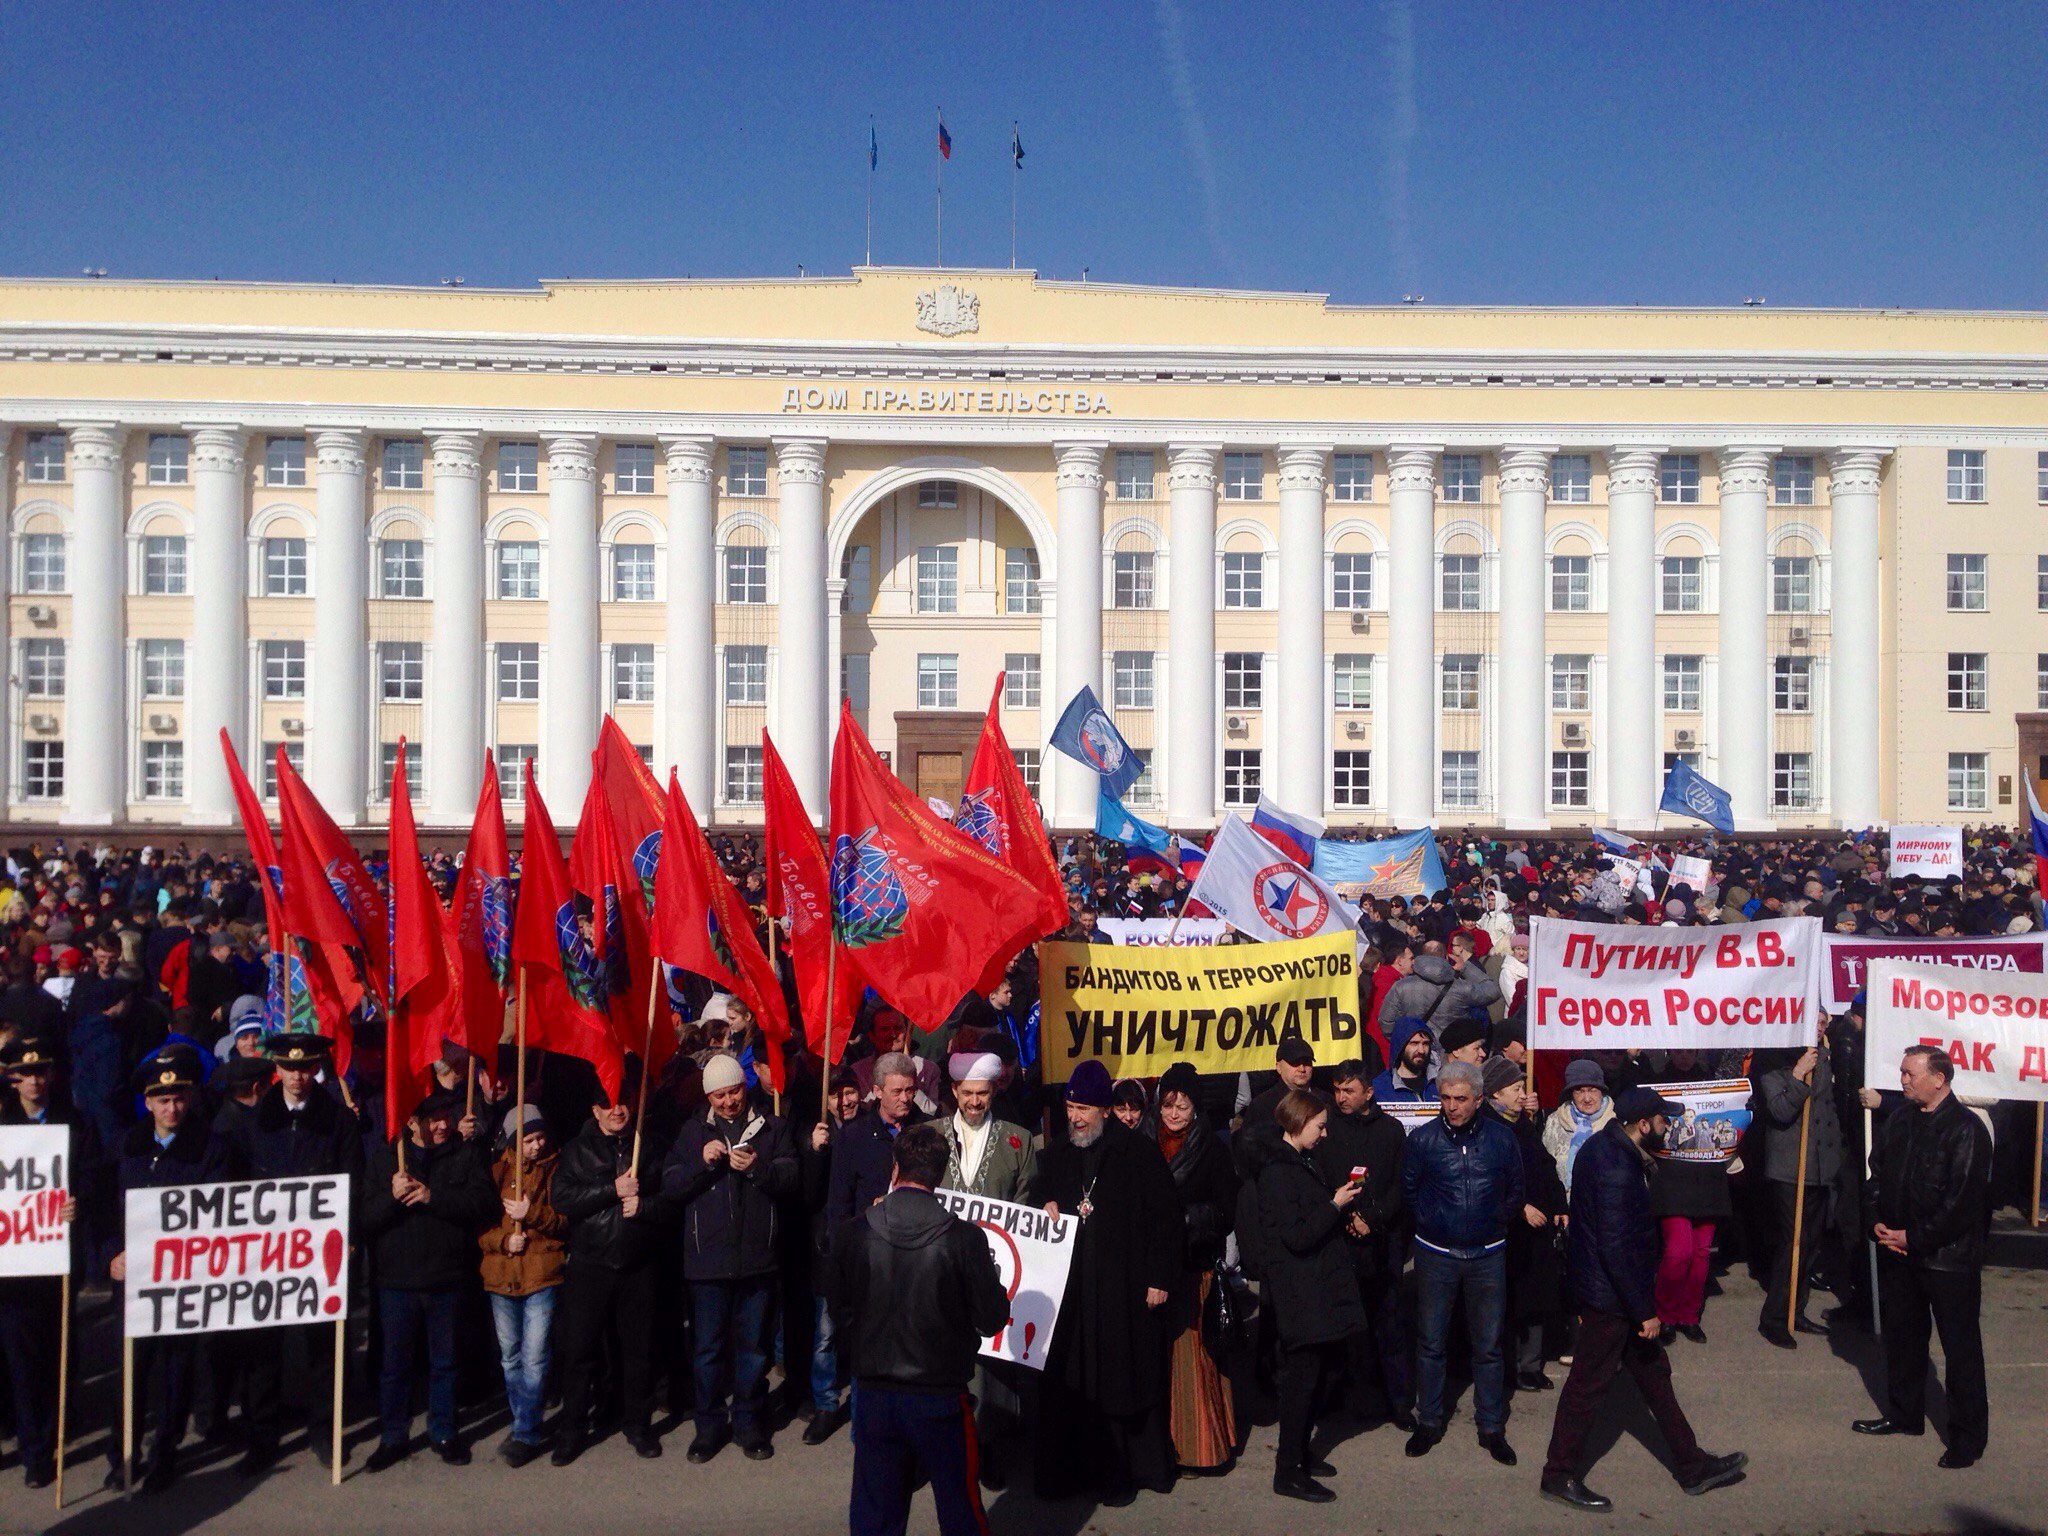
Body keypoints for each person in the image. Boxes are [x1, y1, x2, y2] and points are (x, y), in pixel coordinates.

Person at [1540, 1087, 1748, 1510]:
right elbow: (1617, 1248)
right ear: (1642, 1124)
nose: (1669, 1126)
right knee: (1586, 1388)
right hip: (1612, 1301)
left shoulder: (1609, 1150)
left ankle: (1691, 1466)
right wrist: (1645, 1312)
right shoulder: (1617, 1167)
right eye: (1663, 1120)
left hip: (1613, 1294)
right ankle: (1557, 1475)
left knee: (1655, 1377)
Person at [830, 1122, 1009, 1536]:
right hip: (940, 1398)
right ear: (942, 1174)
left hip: (874, 1394)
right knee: (961, 1510)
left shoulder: (855, 1231)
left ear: (894, 1168)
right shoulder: (964, 1239)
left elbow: (836, 1306)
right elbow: (993, 1317)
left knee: (876, 1515)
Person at [1034, 1059, 1185, 1506]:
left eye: (1085, 1108)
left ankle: (1124, 1474)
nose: (1076, 1117)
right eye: (1070, 1106)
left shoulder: (1137, 1152)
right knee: (1074, 1385)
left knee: (1123, 1380)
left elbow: (1167, 1220)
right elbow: (1039, 1197)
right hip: (1075, 1295)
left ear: (1105, 1110)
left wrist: (1160, 1277)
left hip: (1124, 1289)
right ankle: (1073, 1474)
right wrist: (1045, 1203)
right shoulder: (1058, 1153)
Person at [224, 1029, 363, 1475]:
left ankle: (324, 1430)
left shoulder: (338, 1119)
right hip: (268, 1256)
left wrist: (350, 1236)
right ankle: (263, 1436)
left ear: (316, 1068)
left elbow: (353, 1180)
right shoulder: (255, 1120)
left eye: (305, 1068)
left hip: (319, 1254)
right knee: (263, 1350)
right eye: (289, 1067)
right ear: (276, 1070)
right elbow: (237, 1185)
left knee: (323, 1349)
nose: (298, 1077)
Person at [1853, 1044, 1992, 1469]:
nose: (1903, 1080)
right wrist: (1876, 1218)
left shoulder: (1967, 1130)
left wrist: (1914, 1237)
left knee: (1960, 1350)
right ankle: (1904, 1415)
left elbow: (1961, 1203)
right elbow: (1877, 1174)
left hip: (1947, 1260)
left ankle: (1967, 1439)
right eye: (1902, 1072)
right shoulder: (1900, 1119)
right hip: (1899, 1253)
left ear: (1939, 1078)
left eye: (1911, 1074)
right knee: (1903, 1341)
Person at [107, 1045, 235, 1493]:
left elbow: (217, 1215)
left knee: (176, 1372)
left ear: (191, 1098)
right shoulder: (129, 1145)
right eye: (162, 1100)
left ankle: (165, 1452)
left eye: (179, 1097)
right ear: (148, 1102)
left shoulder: (210, 1148)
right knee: (131, 1370)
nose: (172, 1107)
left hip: (183, 1282)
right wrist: (111, 1255)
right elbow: (109, 1211)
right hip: (134, 1280)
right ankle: (122, 1453)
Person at [664, 1052, 799, 1463]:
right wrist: (702, 1166)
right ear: (709, 1096)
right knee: (707, 1350)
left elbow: (791, 1178)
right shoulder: (691, 1132)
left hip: (757, 1259)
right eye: (720, 1095)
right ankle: (708, 1427)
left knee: (753, 1349)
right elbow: (670, 1185)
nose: (729, 1102)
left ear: (746, 1086)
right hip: (707, 1263)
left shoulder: (772, 1127)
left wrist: (758, 1169)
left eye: (735, 1091)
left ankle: (749, 1422)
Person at [361, 1087, 497, 1472]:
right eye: (433, 1119)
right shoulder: (386, 1159)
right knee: (395, 1366)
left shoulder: (465, 1154)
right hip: (396, 1282)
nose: (442, 1125)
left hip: (448, 1278)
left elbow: (483, 1205)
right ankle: (393, 1437)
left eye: (446, 1116)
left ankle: (444, 1430)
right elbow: (366, 1221)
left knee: (446, 1362)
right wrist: (392, 1197)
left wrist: (432, 1197)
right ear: (411, 1122)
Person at [1398, 1058, 1522, 1465]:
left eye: (1461, 1099)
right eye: (1446, 1098)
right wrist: (1435, 1226)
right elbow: (1410, 1192)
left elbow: (1514, 1189)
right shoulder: (1423, 1141)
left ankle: (1490, 1426)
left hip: (1488, 1255)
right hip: (1436, 1255)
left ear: (1479, 1099)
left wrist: (1494, 1223)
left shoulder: (1502, 1140)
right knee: (1431, 1342)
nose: (1453, 1106)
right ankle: (1429, 1420)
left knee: (1488, 1346)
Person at [550, 1063, 668, 1464]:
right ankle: (571, 1429)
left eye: (622, 1100)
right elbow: (563, 1199)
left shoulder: (649, 1145)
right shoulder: (576, 1150)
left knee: (638, 1352)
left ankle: (638, 1424)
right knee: (579, 1351)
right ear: (594, 1111)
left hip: (637, 1265)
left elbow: (669, 1198)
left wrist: (645, 1205)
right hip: (591, 1265)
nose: (617, 1109)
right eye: (607, 1103)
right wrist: (610, 1190)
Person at [0, 1034, 98, 1489]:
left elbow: (94, 1178)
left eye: (42, 1072)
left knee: (59, 1349)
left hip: (57, 1257)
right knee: (20, 1357)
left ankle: (60, 1421)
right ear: (13, 1078)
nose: (35, 1081)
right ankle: (35, 1450)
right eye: (27, 1074)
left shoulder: (75, 1124)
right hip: (11, 1264)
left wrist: (78, 1203)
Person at [1258, 1087, 1365, 1504]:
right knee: (1302, 1384)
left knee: (1319, 1376)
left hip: (1315, 1290)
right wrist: (1334, 1205)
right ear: (1299, 1123)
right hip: (1301, 1296)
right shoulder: (1278, 1172)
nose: (1324, 1134)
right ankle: (1288, 1470)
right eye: (1319, 1126)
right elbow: (1298, 1235)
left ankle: (1300, 1455)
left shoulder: (1299, 1162)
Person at [1310, 1058, 1411, 1429]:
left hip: (1382, 1240)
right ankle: (1339, 1395)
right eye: (1336, 1089)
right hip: (1340, 1238)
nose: (1340, 1097)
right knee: (1339, 1323)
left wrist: (1374, 1217)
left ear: (1369, 1092)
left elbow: (1402, 1185)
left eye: (1348, 1090)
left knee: (1389, 1322)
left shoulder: (1391, 1131)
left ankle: (1398, 1401)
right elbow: (1319, 1179)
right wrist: (1343, 1215)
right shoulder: (1326, 1130)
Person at [1151, 1061, 1237, 1475]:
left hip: (1195, 1268)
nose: (1173, 1114)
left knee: (1195, 1360)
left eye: (1182, 1106)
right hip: (1155, 1270)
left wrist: (1190, 1221)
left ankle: (1203, 1447)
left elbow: (1229, 1210)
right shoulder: (1146, 1142)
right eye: (1168, 1104)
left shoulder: (1214, 1148)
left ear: (1196, 1108)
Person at [478, 1104, 566, 1467]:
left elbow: (564, 1222)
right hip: (501, 1275)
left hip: (541, 1274)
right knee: (510, 1354)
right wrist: (501, 1240)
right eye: (528, 1140)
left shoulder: (556, 1169)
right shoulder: (496, 1170)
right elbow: (478, 1224)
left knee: (534, 1356)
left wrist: (530, 1214)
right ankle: (521, 1418)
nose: (535, 1145)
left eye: (540, 1137)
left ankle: (526, 1431)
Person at [1485, 1054, 1567, 1392]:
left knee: (1537, 1297)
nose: (1523, 1094)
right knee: (1509, 1302)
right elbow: (1488, 1178)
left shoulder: (1523, 1123)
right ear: (1496, 1093)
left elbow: (1545, 1165)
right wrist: (1520, 1208)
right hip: (1510, 1231)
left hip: (1538, 1229)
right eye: (1516, 1088)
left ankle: (1530, 1365)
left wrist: (1559, 1202)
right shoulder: (1488, 1128)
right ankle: (1506, 1368)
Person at [1755, 1041, 1843, 1347]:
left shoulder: (1827, 1056)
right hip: (1790, 1167)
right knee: (1793, 1242)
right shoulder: (1772, 1059)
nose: (1818, 1028)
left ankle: (1797, 1310)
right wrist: (1798, 1073)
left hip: (1820, 1165)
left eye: (1822, 1022)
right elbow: (1779, 1110)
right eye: (1813, 1021)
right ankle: (1775, 1318)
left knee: (1811, 1243)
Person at [798, 1068, 864, 1446]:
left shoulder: (870, 1131)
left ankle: (860, 1407)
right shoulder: (816, 1134)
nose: (845, 1100)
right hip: (827, 1250)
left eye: (851, 1091)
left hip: (863, 1247)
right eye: (837, 1093)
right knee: (825, 1334)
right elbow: (808, 1194)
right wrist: (815, 1153)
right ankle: (825, 1405)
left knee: (860, 1334)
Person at [826, 1051, 925, 1239]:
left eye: (910, 1090)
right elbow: (839, 1204)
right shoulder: (852, 1136)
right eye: (896, 1091)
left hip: (917, 1244)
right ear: (878, 1091)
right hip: (868, 1244)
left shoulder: (927, 1130)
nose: (905, 1098)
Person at [940, 1051, 1038, 1202]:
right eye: (967, 1093)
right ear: (954, 1090)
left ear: (994, 1090)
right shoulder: (931, 1134)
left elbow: (1026, 1200)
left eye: (982, 1093)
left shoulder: (1020, 1140)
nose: (974, 1102)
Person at [1543, 1058, 1613, 1194]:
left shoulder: (1617, 1122)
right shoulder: (1555, 1121)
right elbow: (1545, 1170)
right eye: (1579, 1091)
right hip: (1565, 1207)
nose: (1587, 1098)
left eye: (1592, 1090)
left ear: (1601, 1091)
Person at [1371, 1018, 1437, 1103]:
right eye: (1414, 1043)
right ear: (1401, 1046)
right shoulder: (1381, 1087)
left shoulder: (1439, 1083)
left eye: (1425, 1044)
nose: (1421, 1050)